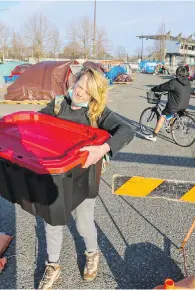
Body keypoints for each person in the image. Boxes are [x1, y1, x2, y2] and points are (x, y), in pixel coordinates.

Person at [37, 67, 134, 289]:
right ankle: (52, 265)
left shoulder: (96, 112)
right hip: (55, 176)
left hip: (84, 177)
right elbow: (36, 122)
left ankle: (92, 253)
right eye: (79, 85)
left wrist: (104, 149)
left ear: (94, 96)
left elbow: (126, 130)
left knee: (83, 222)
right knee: (52, 223)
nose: (79, 92)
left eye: (86, 91)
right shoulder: (58, 104)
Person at [144, 66, 192, 142]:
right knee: (174, 113)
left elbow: (162, 87)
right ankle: (171, 126)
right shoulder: (188, 82)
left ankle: (153, 136)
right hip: (184, 105)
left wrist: (154, 88)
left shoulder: (174, 82)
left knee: (162, 116)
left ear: (177, 73)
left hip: (175, 105)